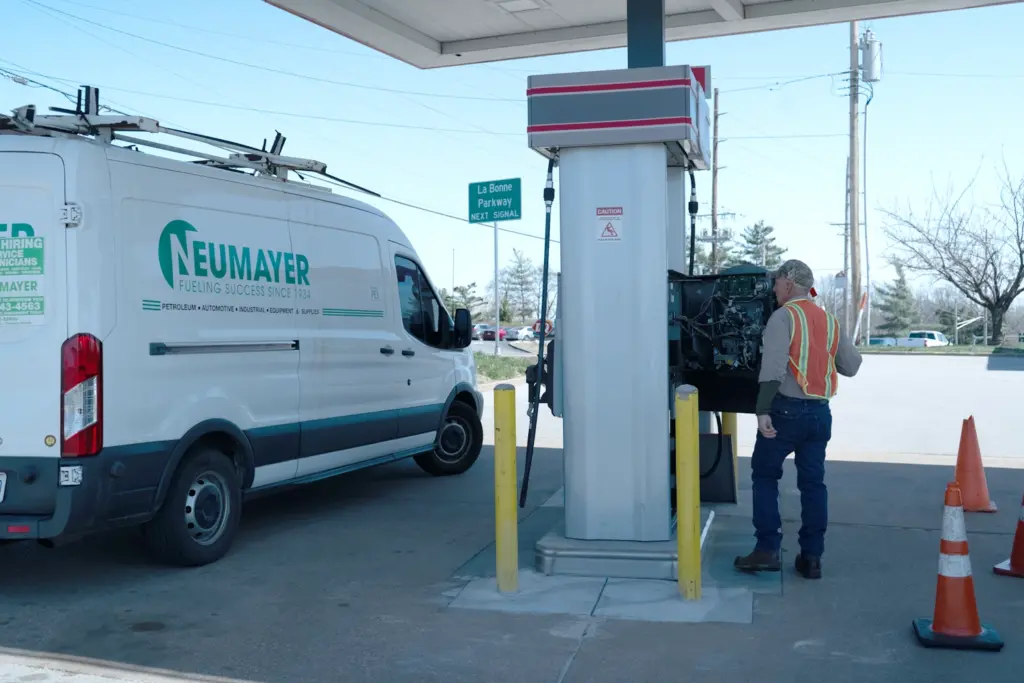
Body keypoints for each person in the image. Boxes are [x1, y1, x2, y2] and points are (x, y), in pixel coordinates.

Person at [733, 259, 862, 579]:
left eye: (776, 281)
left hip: (786, 412)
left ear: (789, 283)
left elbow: (774, 368)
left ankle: (767, 549)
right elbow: (851, 365)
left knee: (764, 476)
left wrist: (762, 411)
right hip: (820, 415)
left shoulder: (783, 317)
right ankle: (812, 558)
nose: (773, 287)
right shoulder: (829, 320)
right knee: (813, 484)